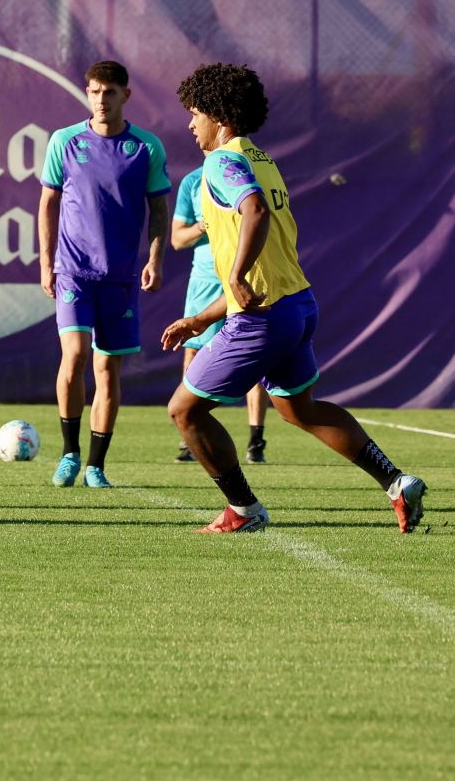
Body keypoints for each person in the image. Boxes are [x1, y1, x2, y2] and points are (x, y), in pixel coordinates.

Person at [162, 63, 427, 534]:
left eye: (195, 113)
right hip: (296, 306)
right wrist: (203, 317)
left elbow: (254, 212)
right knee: (299, 409)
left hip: (263, 318)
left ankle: (243, 510)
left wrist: (235, 275)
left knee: (184, 410)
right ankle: (396, 482)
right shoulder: (263, 161)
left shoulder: (221, 162)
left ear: (219, 116)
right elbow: (263, 259)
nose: (190, 124)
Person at [37, 60, 169, 489]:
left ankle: (96, 465)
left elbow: (158, 210)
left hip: (121, 275)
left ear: (125, 95)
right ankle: (69, 453)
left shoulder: (146, 147)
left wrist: (155, 259)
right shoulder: (65, 141)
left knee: (107, 369)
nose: (100, 99)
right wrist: (46, 263)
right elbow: (48, 203)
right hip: (74, 270)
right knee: (74, 355)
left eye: (109, 92)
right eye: (93, 91)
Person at [170, 163, 267, 464]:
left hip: (245, 277)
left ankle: (256, 440)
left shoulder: (246, 172)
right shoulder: (192, 182)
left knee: (253, 354)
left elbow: (260, 216)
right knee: (192, 352)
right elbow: (177, 239)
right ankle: (191, 435)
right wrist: (204, 225)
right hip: (205, 280)